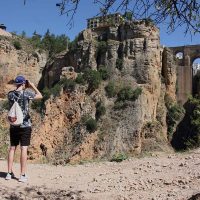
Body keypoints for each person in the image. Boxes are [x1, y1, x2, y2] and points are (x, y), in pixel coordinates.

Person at [5, 75, 43, 182]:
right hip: (25, 125)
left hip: (14, 125)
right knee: (24, 148)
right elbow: (40, 96)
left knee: (12, 148)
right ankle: (22, 175)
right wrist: (32, 86)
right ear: (23, 83)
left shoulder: (10, 94)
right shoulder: (27, 93)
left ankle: (8, 173)